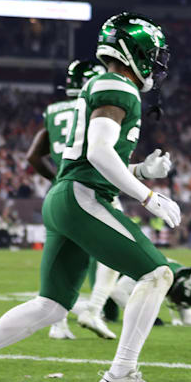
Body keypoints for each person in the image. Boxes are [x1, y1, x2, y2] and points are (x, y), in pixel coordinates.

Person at [0, 12, 180, 382]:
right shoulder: (118, 87)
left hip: (68, 195)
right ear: (133, 52)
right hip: (81, 197)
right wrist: (147, 196)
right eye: (151, 54)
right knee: (157, 274)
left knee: (51, 305)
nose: (156, 63)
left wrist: (140, 169)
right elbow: (98, 153)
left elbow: (90, 155)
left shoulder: (103, 84)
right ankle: (122, 373)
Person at [27, 58, 128, 341]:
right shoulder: (94, 106)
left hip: (63, 190)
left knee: (65, 264)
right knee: (116, 254)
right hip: (92, 188)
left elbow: (33, 156)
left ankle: (58, 324)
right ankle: (93, 310)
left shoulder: (53, 110)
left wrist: (58, 179)